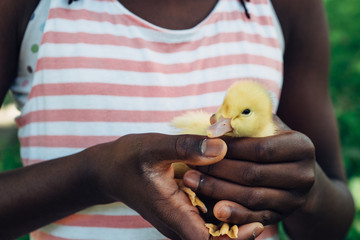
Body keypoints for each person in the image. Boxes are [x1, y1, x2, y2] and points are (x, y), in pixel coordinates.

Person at [0, 0, 354, 239]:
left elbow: (333, 219)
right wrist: (95, 175)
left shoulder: (285, 6)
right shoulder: (33, 8)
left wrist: (303, 191)